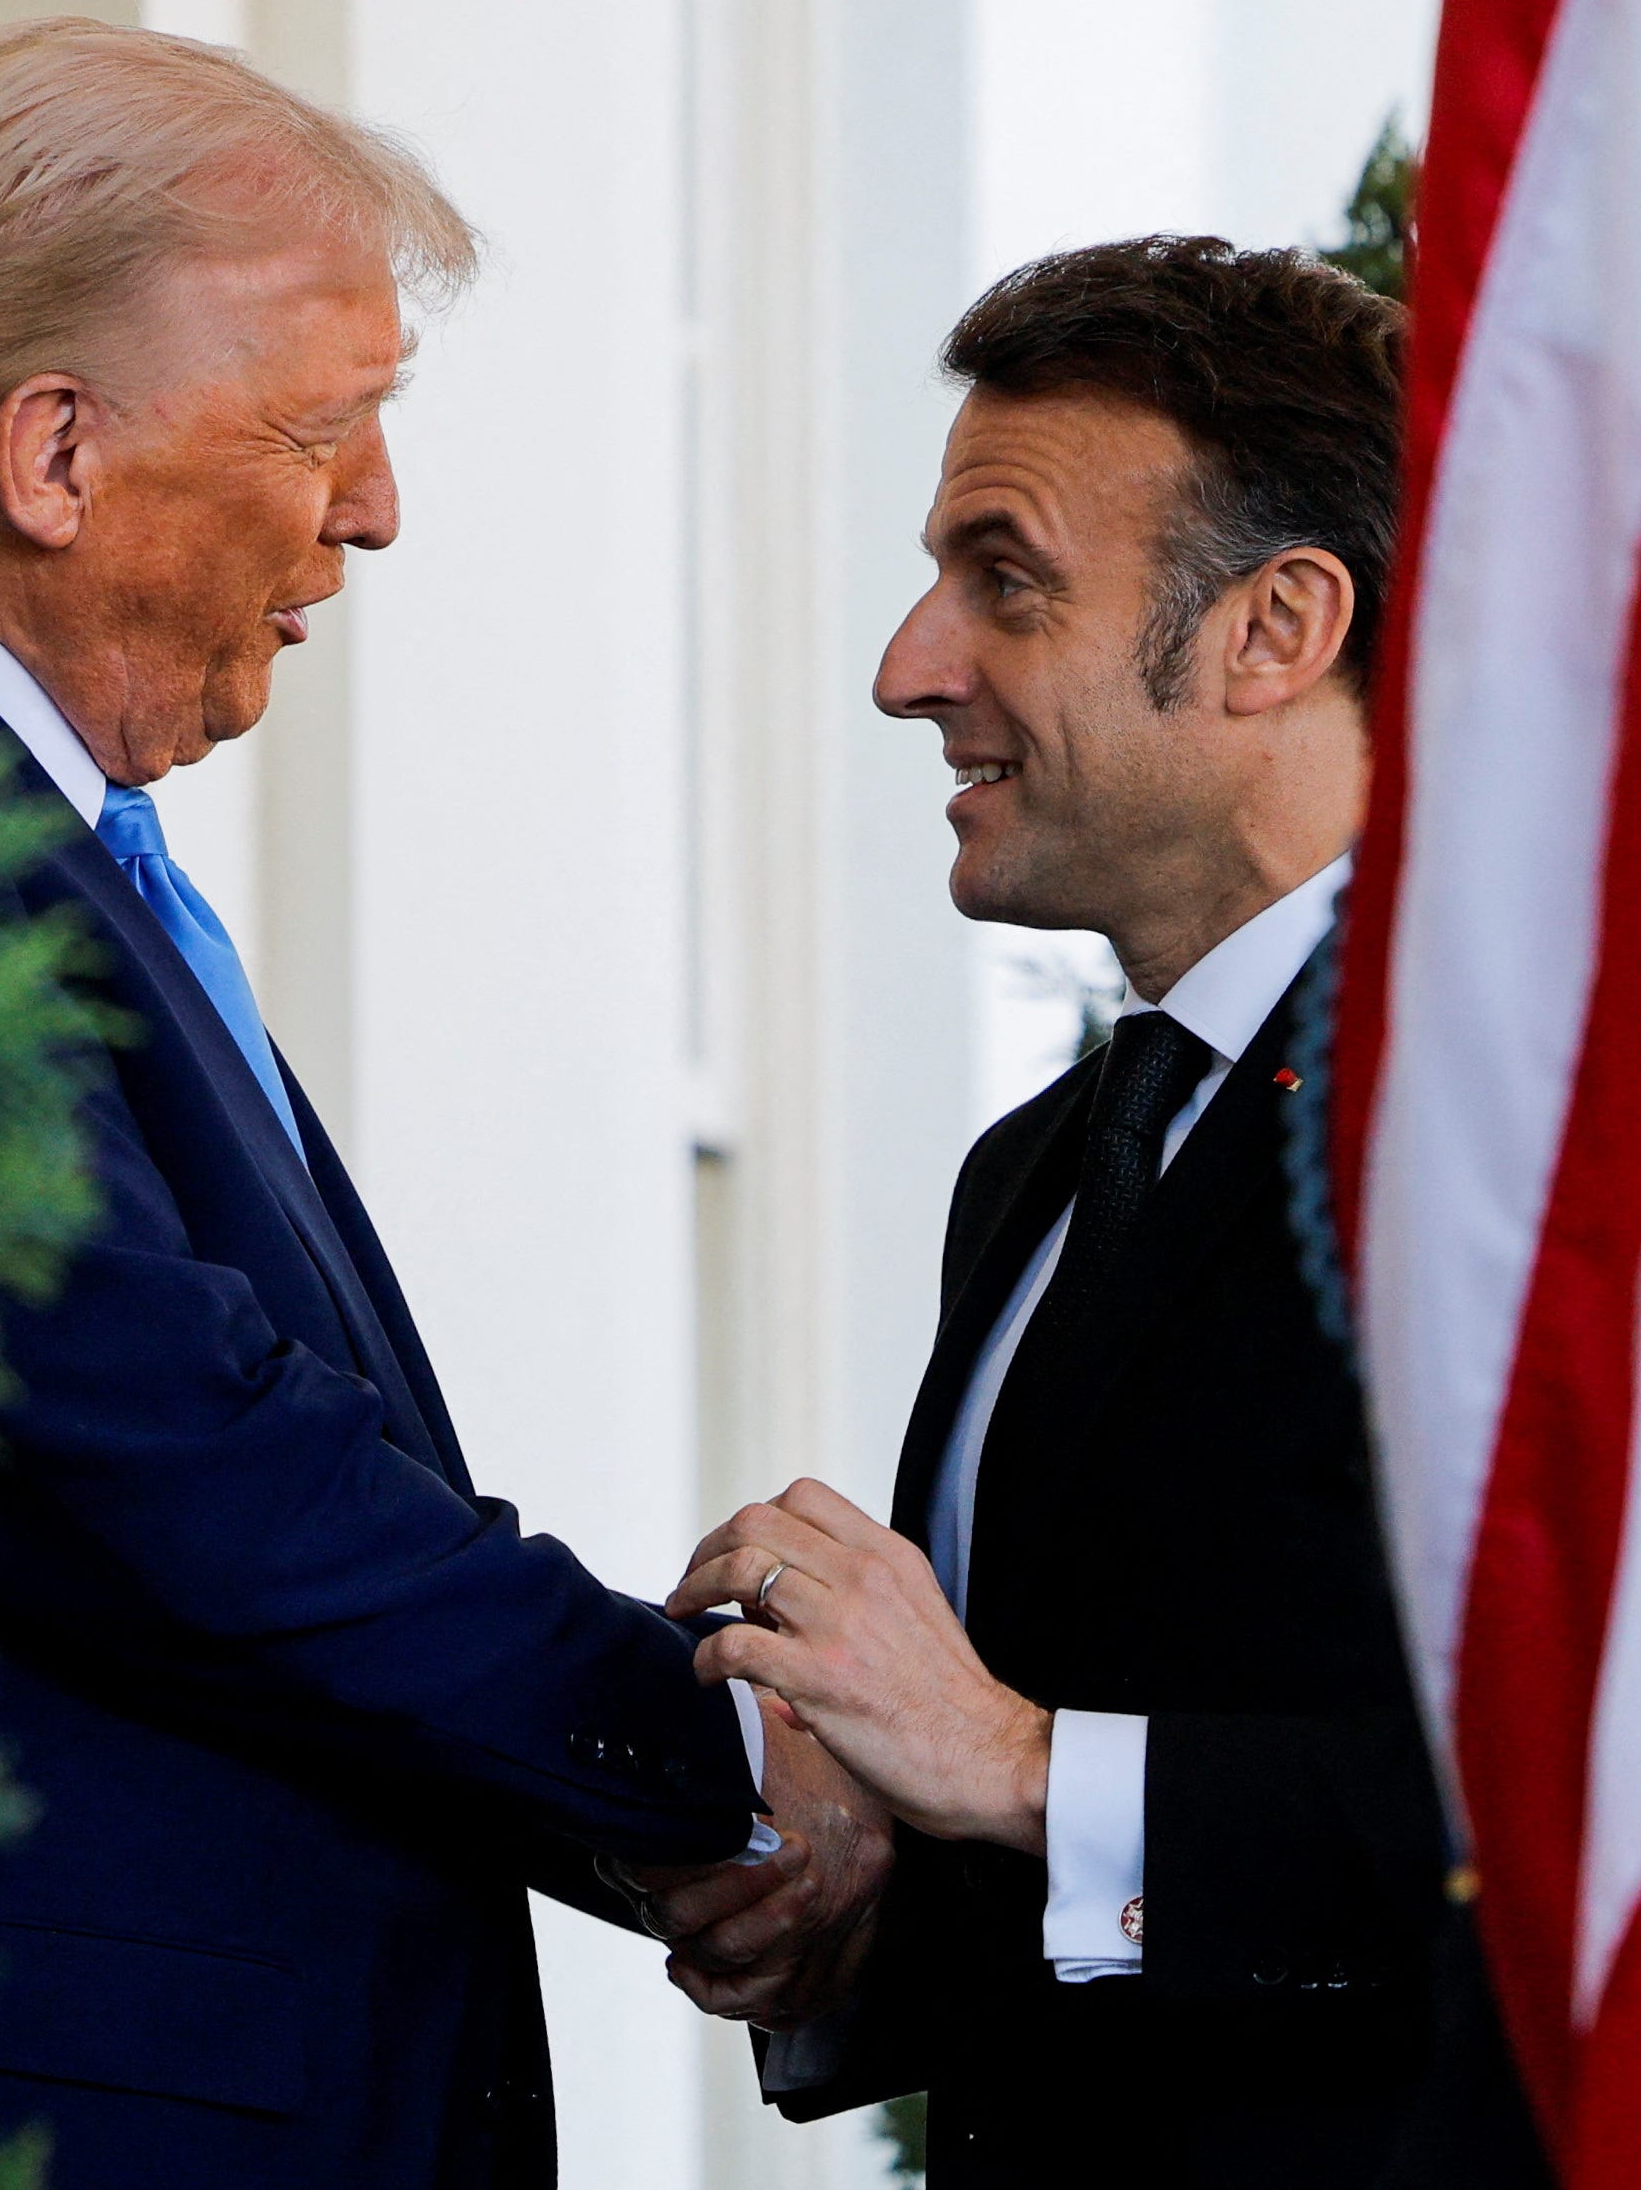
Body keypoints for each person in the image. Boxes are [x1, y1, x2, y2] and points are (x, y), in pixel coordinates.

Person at [0, 19, 878, 2189]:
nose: (374, 511)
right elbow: (169, 1456)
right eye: (331, 427)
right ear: (56, 456)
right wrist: (735, 1767)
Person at [648, 238, 1551, 2184]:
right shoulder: (1043, 1166)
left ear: (1273, 629)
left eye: (1007, 581)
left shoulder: (1526, 1136)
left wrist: (1015, 1763)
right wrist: (850, 1882)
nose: (911, 666)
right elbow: (1042, 1850)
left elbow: (1599, 1822)